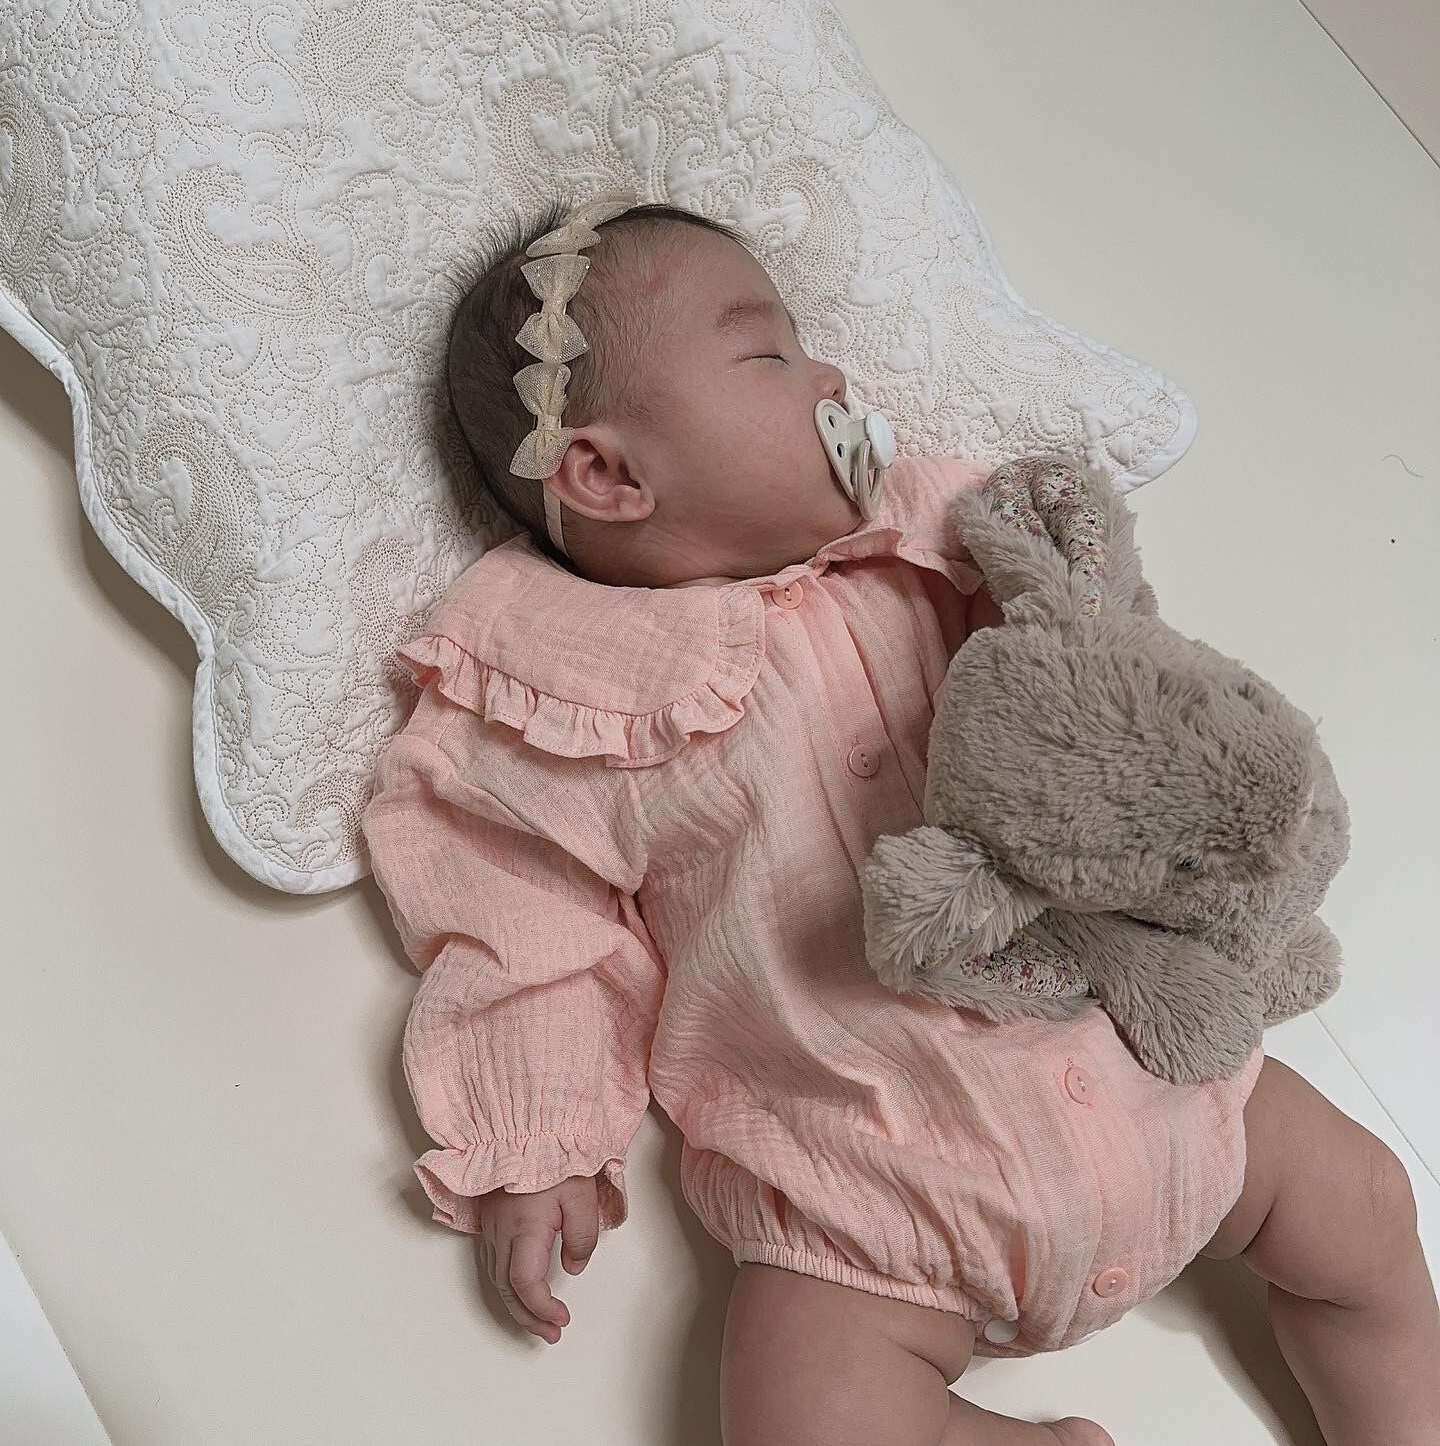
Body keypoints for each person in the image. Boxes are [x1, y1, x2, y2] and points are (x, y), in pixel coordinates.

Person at [360, 194, 1440, 1445]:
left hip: (1151, 1062)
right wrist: (540, 1138)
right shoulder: (556, 695)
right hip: (871, 1186)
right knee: (801, 1422)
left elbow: (1099, 687)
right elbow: (525, 928)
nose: (830, 377)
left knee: (1368, 1209)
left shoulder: (938, 550)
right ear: (607, 472)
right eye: (767, 353)